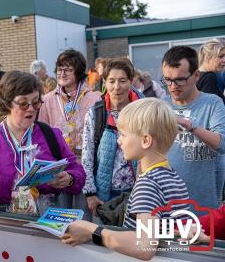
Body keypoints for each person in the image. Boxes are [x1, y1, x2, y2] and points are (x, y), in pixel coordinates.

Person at [62, 98, 190, 261]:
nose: (119, 140)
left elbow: (144, 247)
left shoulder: (148, 184)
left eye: (123, 134)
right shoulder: (172, 176)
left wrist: (91, 229)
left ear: (145, 141)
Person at [0, 71, 86, 206]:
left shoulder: (50, 135)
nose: (31, 109)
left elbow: (77, 170)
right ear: (8, 103)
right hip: (0, 219)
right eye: (23, 104)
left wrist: (69, 178)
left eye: (36, 102)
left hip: (43, 217)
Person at [161, 45, 225, 210]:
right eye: (167, 80)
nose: (173, 85)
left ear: (196, 75)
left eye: (180, 79)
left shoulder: (212, 103)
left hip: (203, 206)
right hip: (166, 207)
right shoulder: (161, 106)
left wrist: (188, 125)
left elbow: (222, 144)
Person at [82, 58, 143, 217]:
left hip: (140, 193)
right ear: (104, 82)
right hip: (106, 195)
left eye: (122, 80)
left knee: (138, 239)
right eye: (111, 81)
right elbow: (87, 155)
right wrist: (90, 193)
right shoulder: (96, 113)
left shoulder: (143, 111)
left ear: (130, 81)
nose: (117, 87)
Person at [39, 49, 101, 158]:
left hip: (86, 159)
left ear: (78, 72)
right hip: (58, 161)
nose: (62, 74)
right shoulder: (47, 100)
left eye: (67, 70)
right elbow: (42, 133)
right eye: (59, 69)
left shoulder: (94, 99)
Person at [197, 38, 225, 104]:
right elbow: (210, 109)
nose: (224, 60)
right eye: (221, 56)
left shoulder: (196, 75)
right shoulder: (209, 77)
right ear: (207, 57)